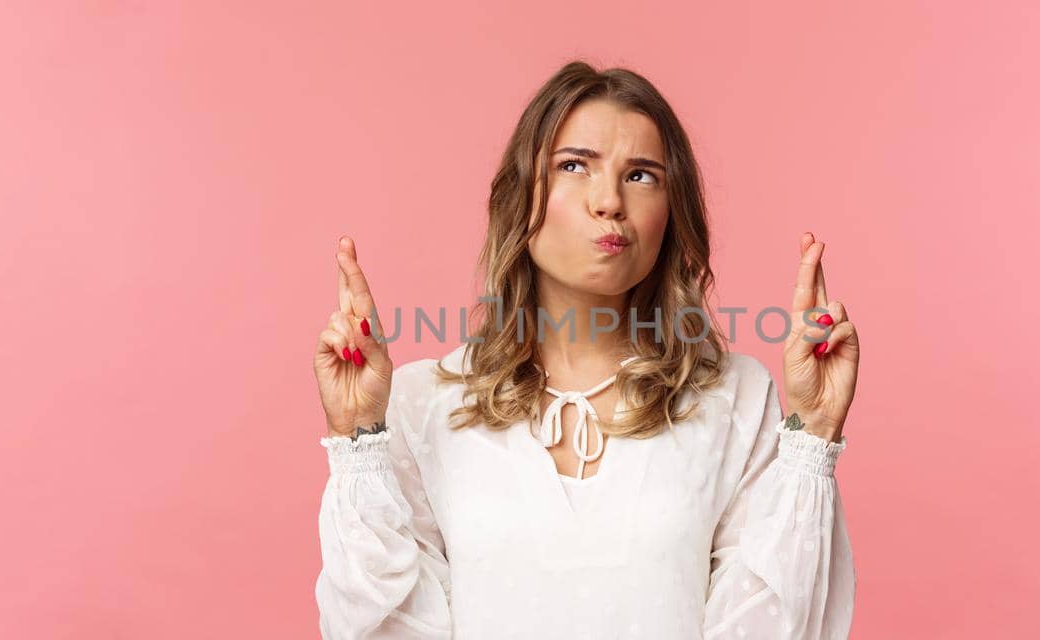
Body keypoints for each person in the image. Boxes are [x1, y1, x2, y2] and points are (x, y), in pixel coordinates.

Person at [311, 61, 861, 639]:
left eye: (642, 175)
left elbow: (774, 627)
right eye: (574, 166)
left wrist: (815, 431)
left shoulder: (736, 397)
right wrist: (355, 436)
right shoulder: (424, 402)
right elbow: (384, 629)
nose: (610, 202)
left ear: (672, 214)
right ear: (521, 194)